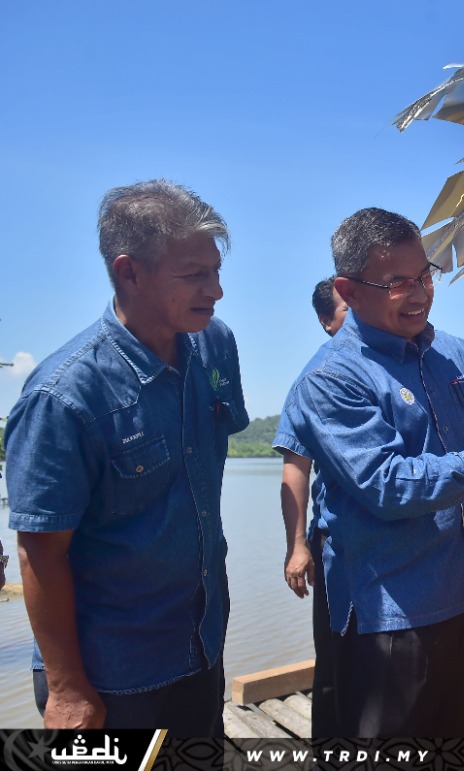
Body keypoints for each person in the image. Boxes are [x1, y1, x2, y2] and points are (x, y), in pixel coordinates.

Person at [274, 207, 464, 738]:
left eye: (425, 276)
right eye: (396, 283)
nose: (418, 294)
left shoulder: (449, 353)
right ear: (348, 290)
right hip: (393, 617)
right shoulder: (331, 378)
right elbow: (389, 485)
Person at [3, 180, 248, 733]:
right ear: (129, 273)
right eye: (195, 274)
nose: (216, 290)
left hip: (201, 646)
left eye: (216, 271)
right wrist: (67, 689)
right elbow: (40, 552)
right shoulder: (63, 397)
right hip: (111, 674)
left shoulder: (214, 344)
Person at [278, 277, 347, 735]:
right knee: (335, 657)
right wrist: (298, 545)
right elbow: (296, 468)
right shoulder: (316, 379)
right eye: (346, 309)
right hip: (336, 543)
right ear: (326, 321)